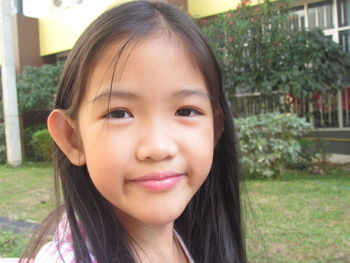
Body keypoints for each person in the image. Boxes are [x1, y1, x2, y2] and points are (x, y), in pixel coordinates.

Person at [20, 1, 246, 262]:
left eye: (185, 111)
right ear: (73, 138)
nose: (159, 147)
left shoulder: (194, 241)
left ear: (216, 130)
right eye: (119, 113)